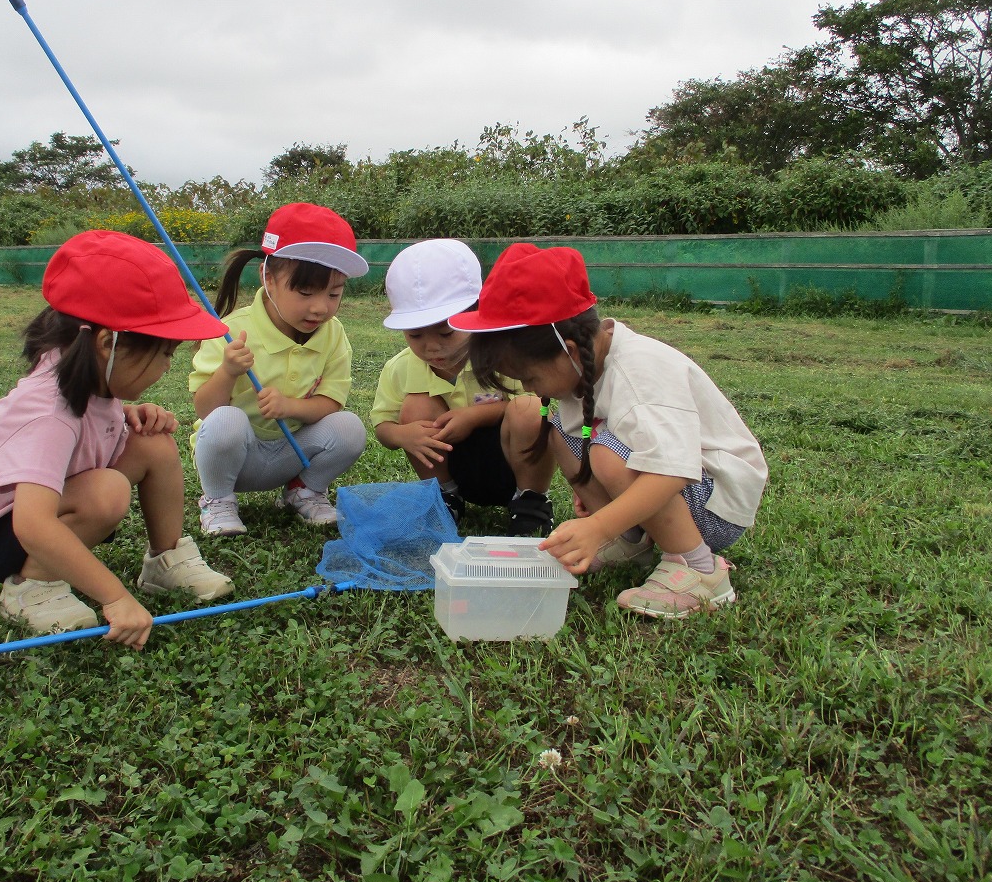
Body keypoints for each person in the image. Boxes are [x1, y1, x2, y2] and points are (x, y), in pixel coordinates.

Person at [0, 231, 235, 648]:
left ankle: (165, 561)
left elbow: (86, 432)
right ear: (108, 342)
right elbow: (32, 523)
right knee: (105, 492)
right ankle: (31, 588)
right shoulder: (47, 414)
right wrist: (115, 597)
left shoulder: (91, 379)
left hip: (46, 505)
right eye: (165, 353)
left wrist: (126, 417)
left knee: (153, 441)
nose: (166, 367)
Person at [451, 242, 768, 619]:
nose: (532, 389)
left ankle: (699, 569)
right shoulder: (583, 365)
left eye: (530, 377)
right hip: (676, 487)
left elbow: (670, 471)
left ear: (568, 349)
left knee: (606, 455)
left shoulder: (640, 373)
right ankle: (631, 540)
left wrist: (599, 525)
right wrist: (597, 497)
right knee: (561, 434)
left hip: (714, 505)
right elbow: (578, 440)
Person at [189, 202, 368, 536]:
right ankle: (217, 500)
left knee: (350, 428)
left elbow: (331, 402)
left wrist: (290, 406)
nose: (320, 307)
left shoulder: (334, 334)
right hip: (233, 458)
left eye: (334, 293)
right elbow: (205, 410)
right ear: (267, 278)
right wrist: (228, 371)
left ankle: (304, 490)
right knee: (227, 420)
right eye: (305, 291)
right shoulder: (230, 331)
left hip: (292, 452)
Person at [370, 238, 555, 534]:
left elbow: (533, 408)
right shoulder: (401, 368)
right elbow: (383, 427)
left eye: (446, 332)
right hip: (451, 465)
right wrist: (404, 435)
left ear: (475, 314)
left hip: (511, 462)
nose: (432, 347)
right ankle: (446, 497)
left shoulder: (500, 355)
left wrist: (474, 416)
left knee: (530, 409)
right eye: (415, 336)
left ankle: (530, 500)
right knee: (416, 404)